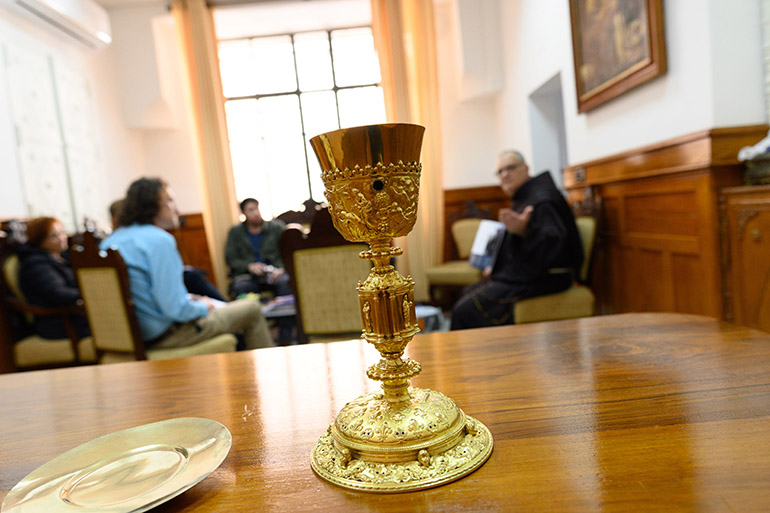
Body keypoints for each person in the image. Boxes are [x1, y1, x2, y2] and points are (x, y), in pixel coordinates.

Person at [101, 178, 272, 350]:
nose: (177, 209)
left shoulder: (109, 243)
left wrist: (187, 299)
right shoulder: (159, 240)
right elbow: (176, 311)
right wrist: (204, 305)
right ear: (152, 204)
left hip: (133, 339)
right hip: (167, 335)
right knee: (252, 309)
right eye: (170, 200)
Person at [450, 150, 584, 330]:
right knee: (466, 293)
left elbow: (556, 248)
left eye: (510, 168)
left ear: (526, 168)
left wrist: (525, 231)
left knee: (465, 311)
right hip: (526, 274)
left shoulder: (542, 199)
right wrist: (496, 265)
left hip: (547, 278)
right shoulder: (525, 196)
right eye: (500, 171)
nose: (504, 175)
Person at [109, 198, 226, 302]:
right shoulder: (154, 238)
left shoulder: (108, 243)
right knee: (192, 278)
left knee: (191, 275)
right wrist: (201, 306)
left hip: (154, 303)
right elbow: (170, 303)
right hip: (161, 311)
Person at [17, 217, 90, 340]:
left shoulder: (61, 257)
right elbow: (57, 293)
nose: (62, 238)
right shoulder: (35, 264)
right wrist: (90, 294)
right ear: (39, 240)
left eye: (62, 232)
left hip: (74, 316)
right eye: (54, 236)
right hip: (59, 323)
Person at [225, 198, 292, 299]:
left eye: (257, 209)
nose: (256, 213)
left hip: (276, 273)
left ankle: (285, 314)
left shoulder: (276, 228)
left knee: (285, 282)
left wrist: (283, 269)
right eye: (251, 210)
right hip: (248, 276)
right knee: (241, 287)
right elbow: (230, 258)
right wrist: (248, 266)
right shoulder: (235, 232)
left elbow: (289, 251)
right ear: (243, 213)